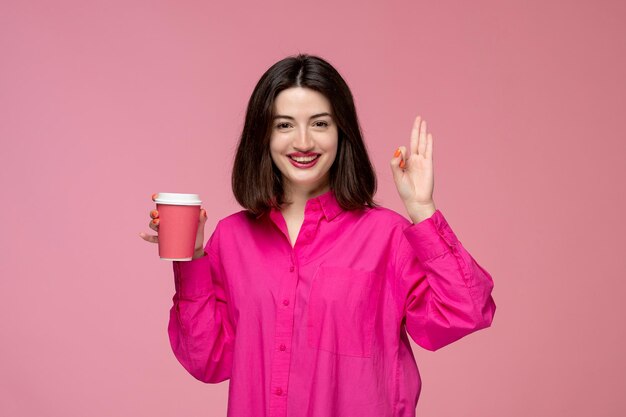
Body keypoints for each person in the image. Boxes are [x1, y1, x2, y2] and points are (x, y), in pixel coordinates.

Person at [139, 53, 496, 417]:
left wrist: (423, 210)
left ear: (342, 132)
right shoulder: (231, 239)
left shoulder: (387, 235)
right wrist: (192, 258)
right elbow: (207, 361)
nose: (304, 142)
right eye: (284, 125)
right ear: (262, 136)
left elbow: (466, 311)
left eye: (320, 123)